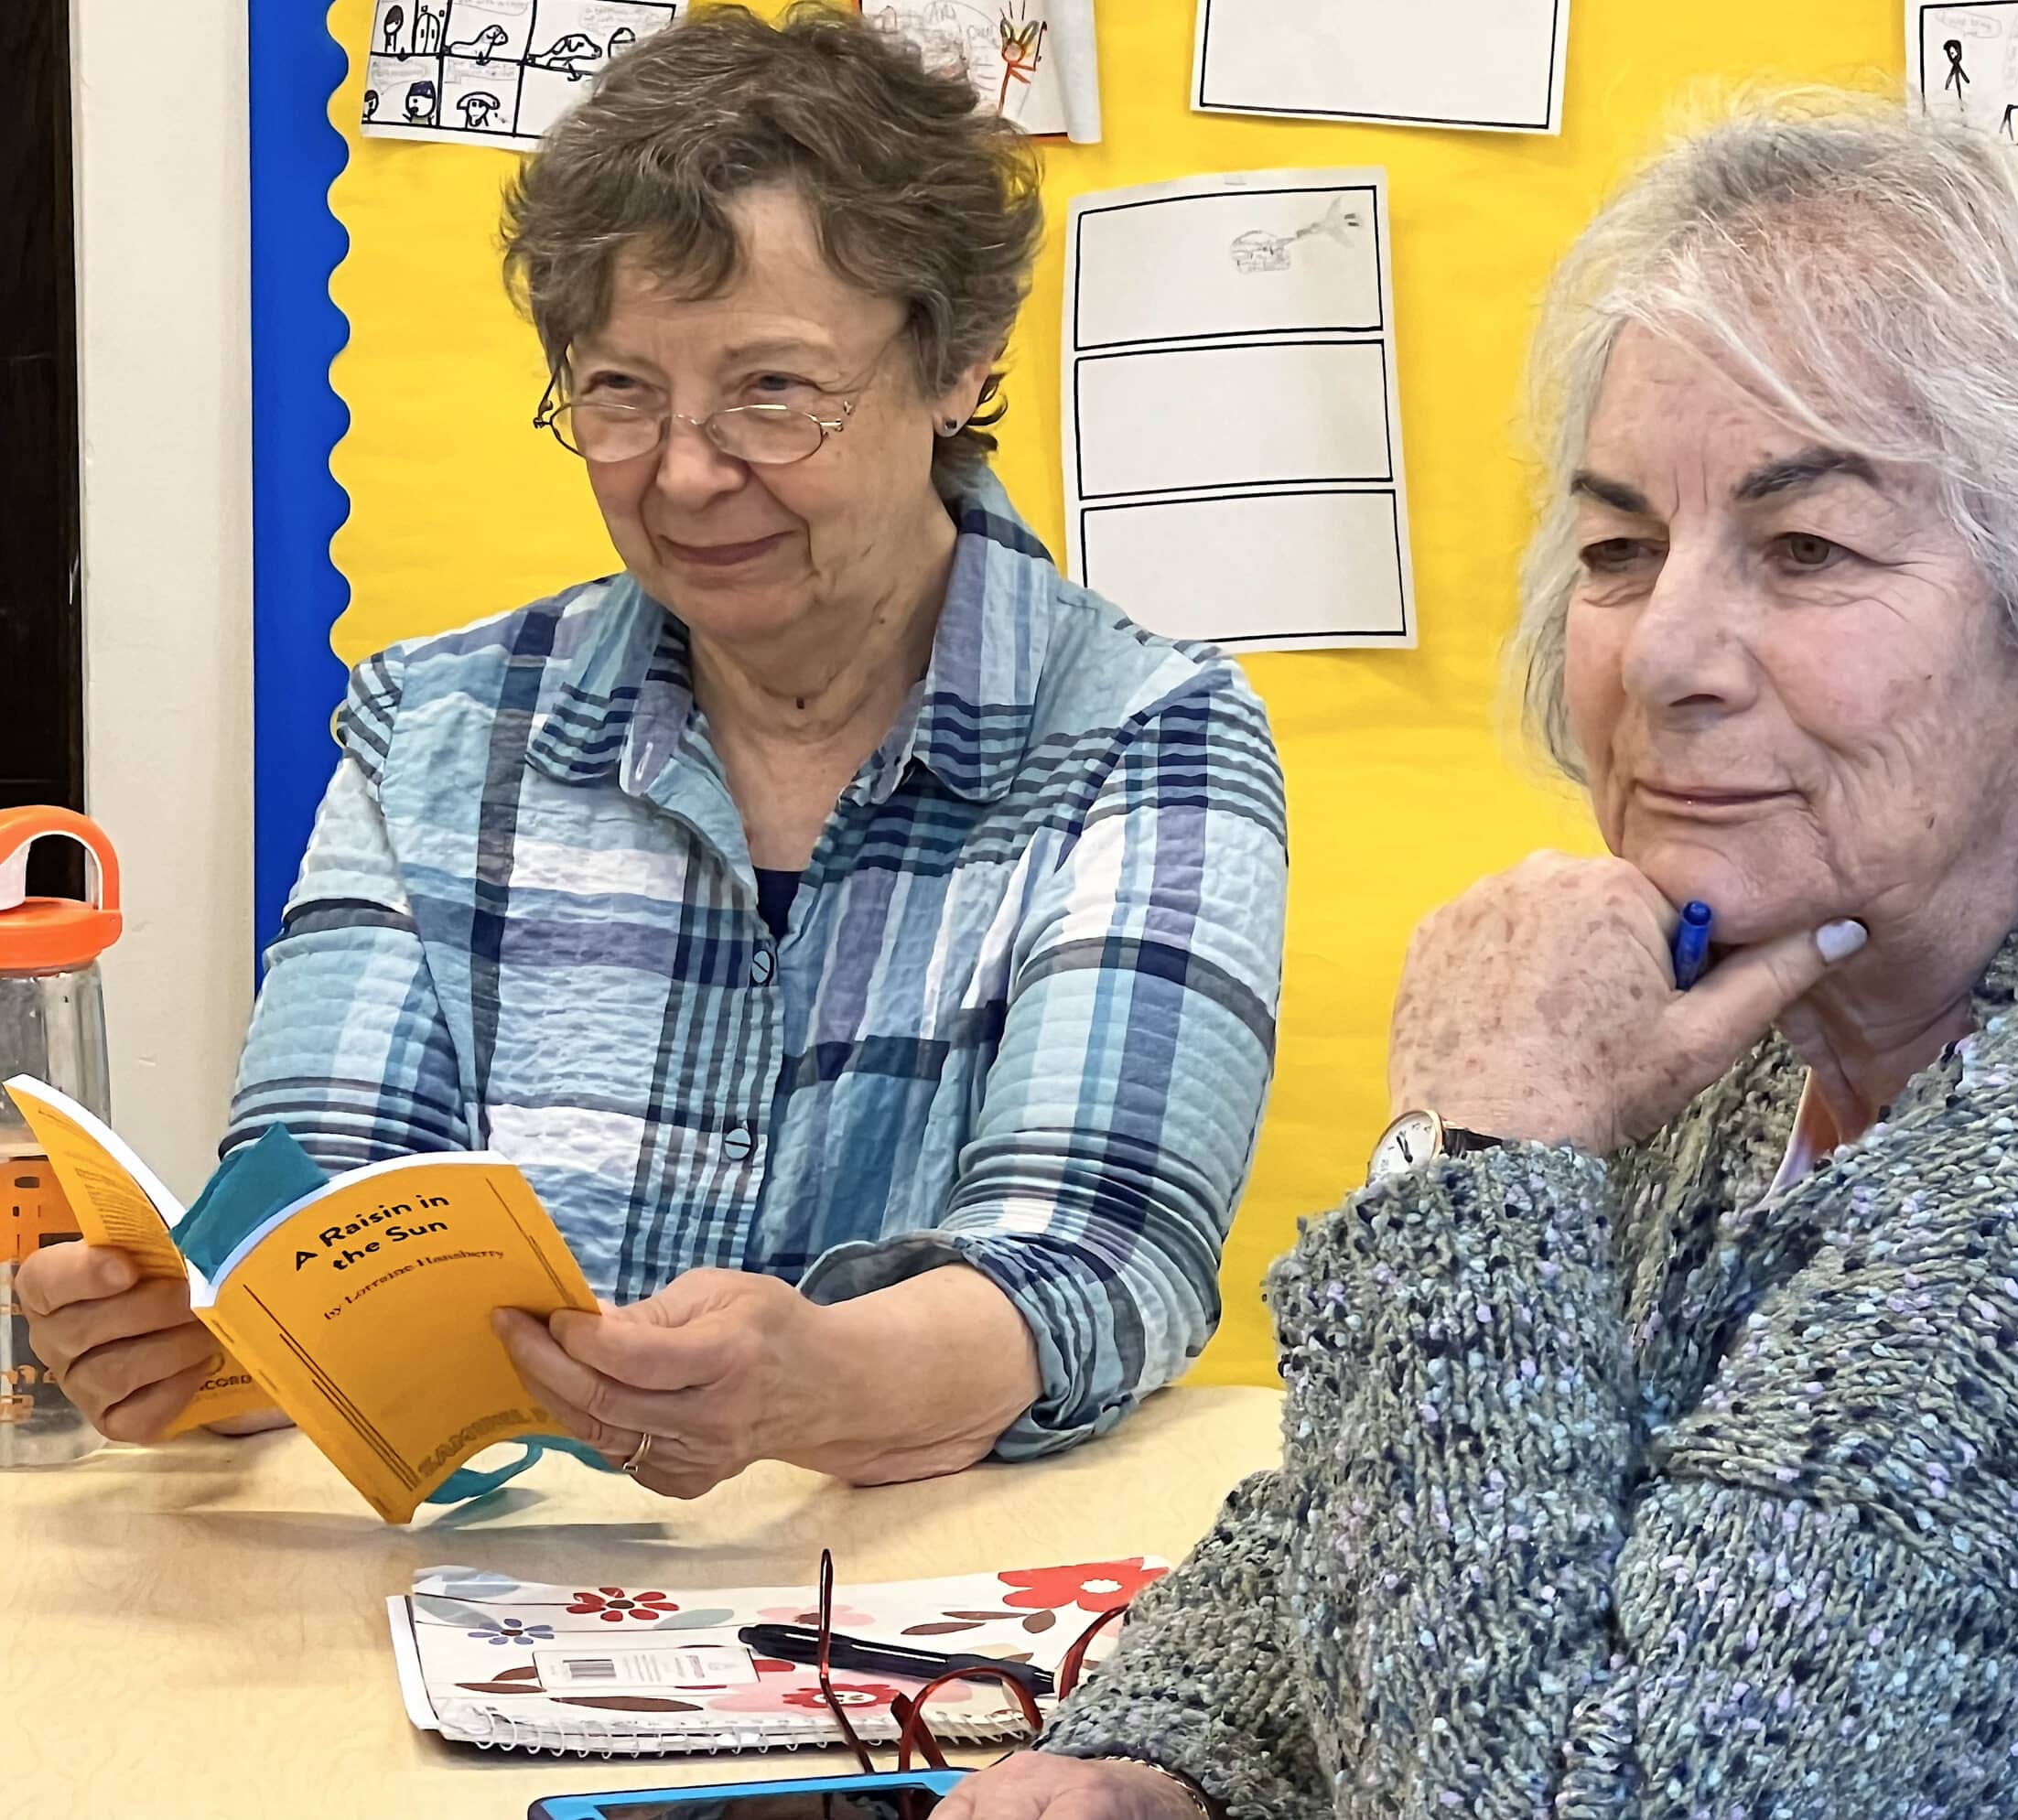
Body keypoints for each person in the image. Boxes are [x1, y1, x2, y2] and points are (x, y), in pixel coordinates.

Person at [944, 99, 2018, 1817]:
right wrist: (1143, 1749)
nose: (1663, 648)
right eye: (1620, 549)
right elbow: (1385, 1515)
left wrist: (1479, 1159)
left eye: (1807, 546)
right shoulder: (1784, 994)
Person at [19, 5, 1286, 1494]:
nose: (685, 474)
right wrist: (219, 1345)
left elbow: (1093, 1260)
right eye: (621, 392)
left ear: (957, 363)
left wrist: (815, 1383)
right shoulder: (439, 734)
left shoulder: (1144, 737)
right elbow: (330, 1213)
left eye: (772, 392)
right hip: (479, 1621)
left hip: (919, 1644)